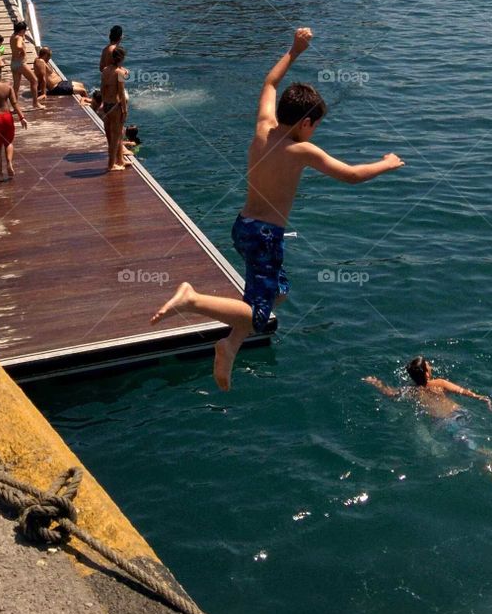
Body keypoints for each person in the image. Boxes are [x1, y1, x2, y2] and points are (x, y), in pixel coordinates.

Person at [150, 27, 404, 390]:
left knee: (277, 292)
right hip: (264, 235)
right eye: (316, 125)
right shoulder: (300, 150)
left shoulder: (263, 128)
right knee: (259, 314)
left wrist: (294, 50)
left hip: (245, 227)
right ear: (305, 123)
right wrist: (386, 162)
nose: (315, 131)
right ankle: (191, 299)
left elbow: (270, 84)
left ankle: (229, 346)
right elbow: (350, 175)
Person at [364, 357, 492, 487]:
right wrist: (482, 398)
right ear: (427, 374)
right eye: (428, 365)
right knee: (468, 443)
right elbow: (461, 391)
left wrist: (376, 383)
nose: (431, 365)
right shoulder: (439, 383)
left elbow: (390, 393)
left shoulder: (409, 390)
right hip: (460, 414)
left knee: (469, 445)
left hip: (446, 423)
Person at [101, 46, 129, 172]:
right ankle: (111, 165)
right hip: (115, 106)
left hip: (106, 105)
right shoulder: (120, 73)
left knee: (114, 135)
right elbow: (121, 93)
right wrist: (124, 109)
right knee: (116, 137)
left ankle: (120, 160)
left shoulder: (105, 70)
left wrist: (103, 103)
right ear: (122, 58)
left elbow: (102, 88)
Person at [10, 20, 40, 108]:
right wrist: (23, 50)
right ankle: (35, 103)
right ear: (22, 30)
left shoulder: (13, 36)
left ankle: (15, 107)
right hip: (21, 63)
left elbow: (19, 41)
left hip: (13, 64)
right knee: (34, 80)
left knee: (16, 86)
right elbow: (19, 46)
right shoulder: (19, 37)